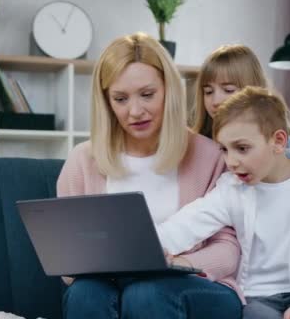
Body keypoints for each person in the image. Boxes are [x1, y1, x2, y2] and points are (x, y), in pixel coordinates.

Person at [57, 32, 242, 319]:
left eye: (147, 94)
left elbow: (228, 250)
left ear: (169, 90)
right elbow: (68, 260)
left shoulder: (210, 155)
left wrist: (179, 262)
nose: (135, 111)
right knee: (84, 292)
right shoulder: (83, 159)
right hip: (111, 284)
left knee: (146, 293)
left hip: (195, 283)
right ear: (106, 102)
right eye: (120, 99)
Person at [157, 86, 290, 319]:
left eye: (242, 148)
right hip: (257, 297)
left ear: (279, 141)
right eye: (224, 149)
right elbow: (188, 223)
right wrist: (150, 248)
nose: (231, 161)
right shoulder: (230, 189)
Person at [191, 44, 290, 163]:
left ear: (252, 90)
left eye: (228, 90)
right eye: (208, 92)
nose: (215, 101)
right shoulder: (198, 146)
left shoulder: (287, 148)